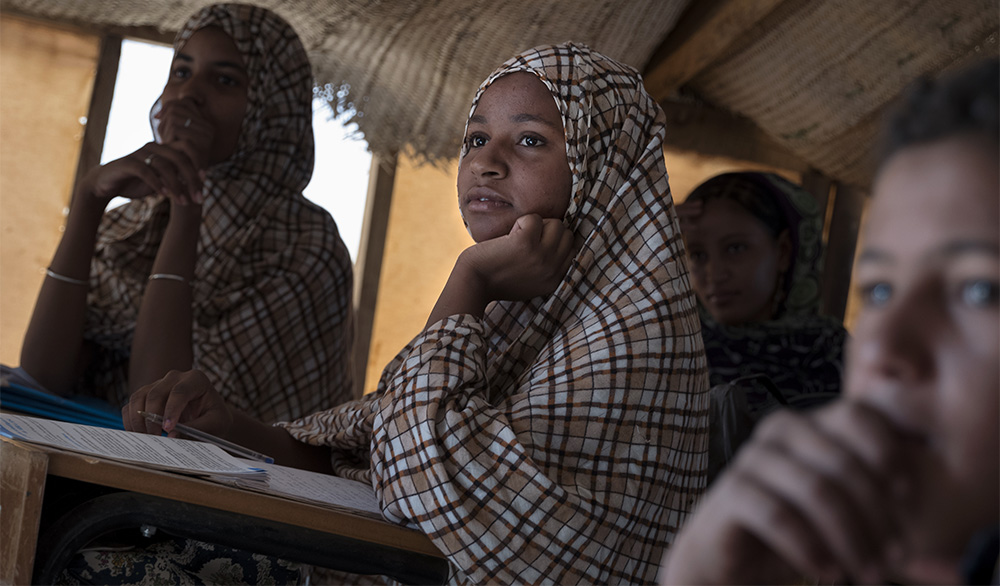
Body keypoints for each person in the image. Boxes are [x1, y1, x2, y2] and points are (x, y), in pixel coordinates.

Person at [126, 42, 709, 584]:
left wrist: (471, 276)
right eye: (476, 139)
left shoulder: (632, 336)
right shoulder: (522, 317)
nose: (486, 162)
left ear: (603, 166)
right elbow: (377, 451)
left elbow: (418, 475)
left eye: (530, 140)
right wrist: (226, 427)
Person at [659, 57, 999, 585]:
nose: (882, 349)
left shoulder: (823, 351)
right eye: (880, 290)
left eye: (980, 290)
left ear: (785, 251)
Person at [19, 4, 354, 424]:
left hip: (218, 485)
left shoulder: (306, 244)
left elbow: (167, 417)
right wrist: (89, 201)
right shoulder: (129, 225)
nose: (189, 93)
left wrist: (187, 203)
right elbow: (40, 377)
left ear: (271, 108)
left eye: (225, 80)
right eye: (181, 71)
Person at [679, 172, 845, 416]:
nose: (714, 274)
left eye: (735, 248)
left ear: (783, 252)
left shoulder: (829, 350)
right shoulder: (672, 347)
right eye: (697, 255)